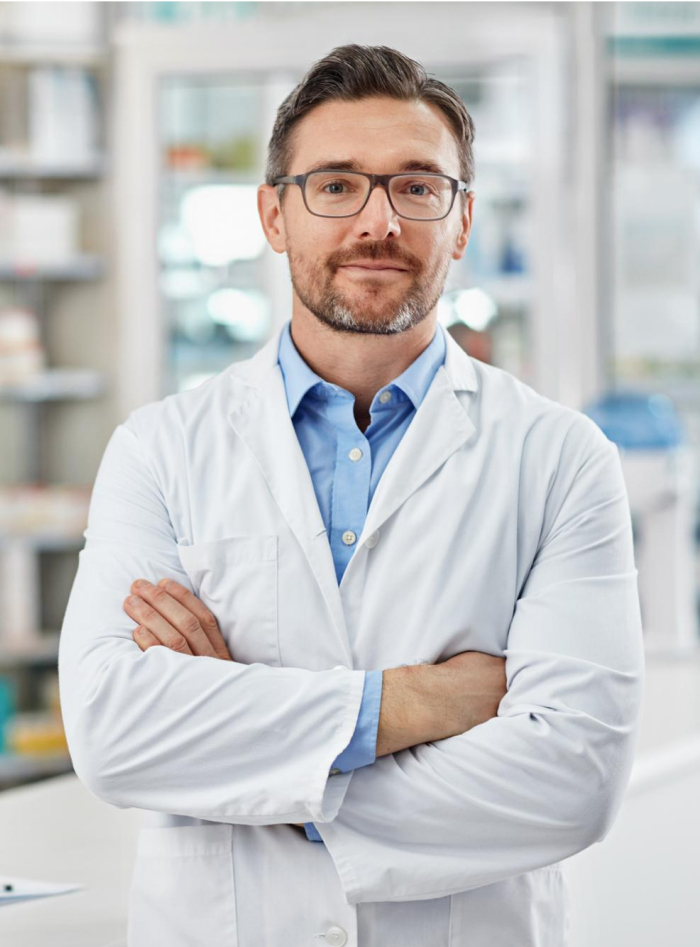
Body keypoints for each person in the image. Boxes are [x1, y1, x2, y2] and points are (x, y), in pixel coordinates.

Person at [58, 44, 644, 947]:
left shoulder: (561, 458)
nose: (378, 222)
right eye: (335, 185)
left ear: (462, 220)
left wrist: (258, 762)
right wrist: (423, 703)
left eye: (417, 187)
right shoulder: (160, 450)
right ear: (274, 214)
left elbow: (574, 779)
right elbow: (113, 730)